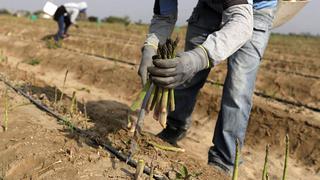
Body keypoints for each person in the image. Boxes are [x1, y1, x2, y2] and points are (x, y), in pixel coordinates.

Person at [138, 0, 278, 175]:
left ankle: (224, 160)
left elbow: (241, 24)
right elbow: (164, 15)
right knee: (187, 77)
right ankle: (174, 127)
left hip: (254, 13)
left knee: (238, 89)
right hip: (209, 7)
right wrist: (151, 45)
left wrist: (198, 58)